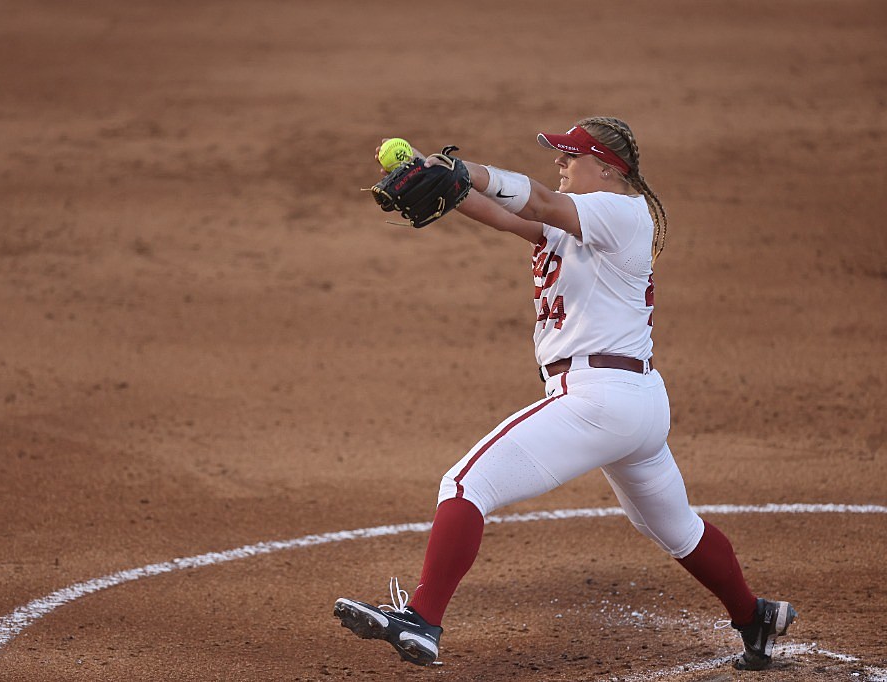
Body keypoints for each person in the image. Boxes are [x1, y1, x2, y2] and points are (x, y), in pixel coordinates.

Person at [334, 117, 796, 671]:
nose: (560, 162)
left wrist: (468, 169)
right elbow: (510, 215)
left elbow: (542, 204)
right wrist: (444, 181)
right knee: (679, 530)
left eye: (570, 155)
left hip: (597, 396)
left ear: (607, 167)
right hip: (636, 401)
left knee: (464, 482)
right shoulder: (584, 223)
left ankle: (423, 619)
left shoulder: (619, 212)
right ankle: (755, 616)